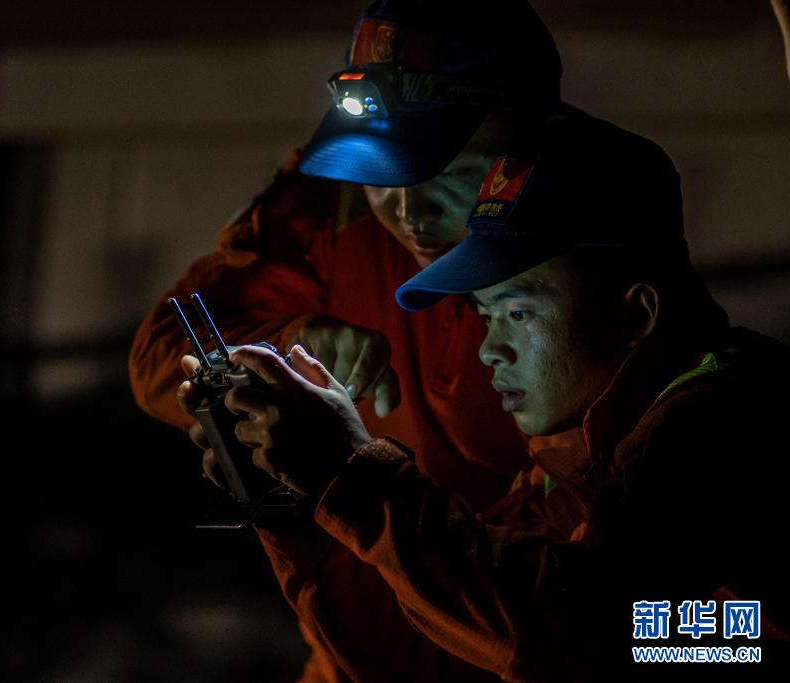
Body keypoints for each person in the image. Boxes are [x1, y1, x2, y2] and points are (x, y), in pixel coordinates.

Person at [197, 111, 789, 680]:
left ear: (636, 313)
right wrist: (292, 504)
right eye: (485, 314)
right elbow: (434, 662)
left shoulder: (728, 419)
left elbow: (575, 635)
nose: (489, 350)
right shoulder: (572, 459)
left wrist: (350, 470)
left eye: (519, 312)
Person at [131, 1, 570, 678]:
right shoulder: (331, 199)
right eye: (381, 171)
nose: (410, 211)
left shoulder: (590, 296)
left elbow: (564, 629)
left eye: (450, 167)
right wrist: (284, 346)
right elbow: (160, 353)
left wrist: (345, 474)